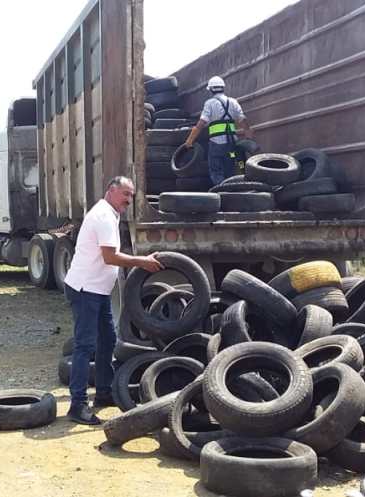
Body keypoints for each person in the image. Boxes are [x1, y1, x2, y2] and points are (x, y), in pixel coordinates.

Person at [63, 176, 163, 425]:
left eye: (131, 195)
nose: (128, 200)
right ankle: (77, 405)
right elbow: (109, 257)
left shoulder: (111, 213)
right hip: (85, 290)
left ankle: (104, 393)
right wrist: (143, 261)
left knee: (107, 341)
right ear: (111, 191)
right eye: (125, 194)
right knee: (85, 346)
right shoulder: (104, 216)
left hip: (98, 290)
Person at [184, 75, 254, 186]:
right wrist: (248, 137)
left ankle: (221, 191)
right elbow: (243, 120)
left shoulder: (210, 103)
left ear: (211, 89)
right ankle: (231, 191)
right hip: (231, 145)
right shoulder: (233, 102)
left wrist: (189, 141)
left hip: (216, 145)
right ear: (223, 88)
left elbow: (201, 123)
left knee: (216, 170)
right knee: (230, 167)